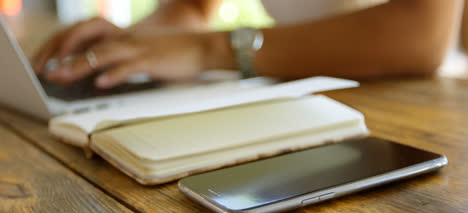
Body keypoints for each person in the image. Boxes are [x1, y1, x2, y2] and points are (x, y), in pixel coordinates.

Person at [34, 0, 462, 89]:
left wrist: (210, 49)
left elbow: (423, 34)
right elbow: (194, 7)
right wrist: (134, 41)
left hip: (425, 98)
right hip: (302, 93)